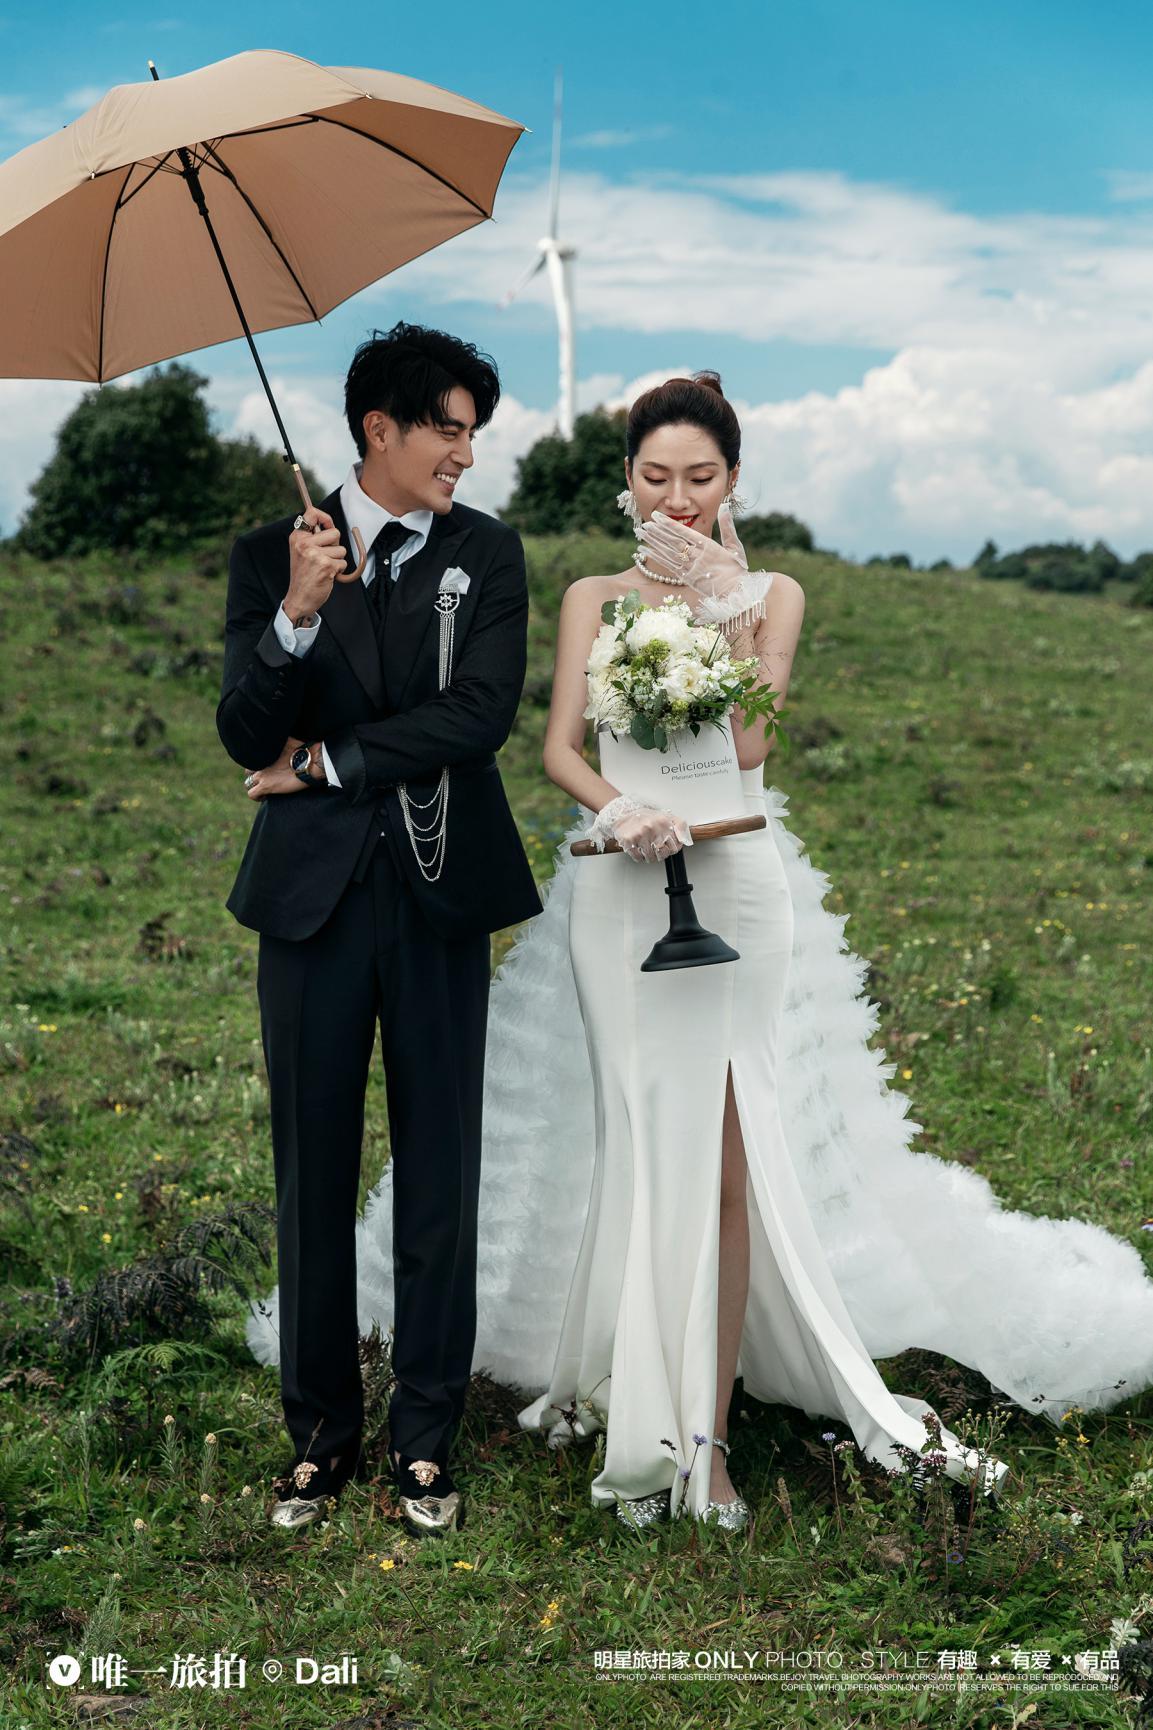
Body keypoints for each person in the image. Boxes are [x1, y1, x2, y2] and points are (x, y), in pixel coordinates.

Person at [247, 371, 1153, 1532]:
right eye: (655, 476)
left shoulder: (774, 594)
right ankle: (639, 1396)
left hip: (734, 878)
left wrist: (728, 611)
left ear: (731, 481)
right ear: (626, 480)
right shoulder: (589, 595)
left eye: (700, 477)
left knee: (730, 1153)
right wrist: (617, 808)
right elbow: (559, 748)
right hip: (621, 889)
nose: (676, 498)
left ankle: (707, 1437)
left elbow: (750, 746)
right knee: (641, 1144)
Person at [218, 321, 541, 1535]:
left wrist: (329, 759)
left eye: (472, 433)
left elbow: (479, 715)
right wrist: (296, 617)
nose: (466, 453)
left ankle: (425, 1436)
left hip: (442, 892)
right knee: (310, 1164)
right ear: (378, 430)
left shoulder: (487, 551)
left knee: (440, 1161)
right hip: (308, 904)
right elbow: (244, 733)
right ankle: (319, 1434)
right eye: (448, 430)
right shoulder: (274, 555)